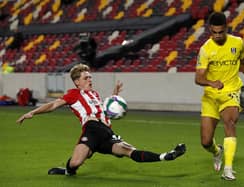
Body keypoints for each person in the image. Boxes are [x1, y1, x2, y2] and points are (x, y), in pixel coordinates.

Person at [16, 63, 186, 176]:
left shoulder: (95, 94)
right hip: (91, 129)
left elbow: (104, 110)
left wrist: (115, 95)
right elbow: (53, 105)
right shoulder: (73, 94)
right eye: (86, 77)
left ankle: (166, 156)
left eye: (90, 76)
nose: (90, 79)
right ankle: (68, 171)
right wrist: (33, 112)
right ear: (77, 82)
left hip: (106, 132)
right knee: (75, 163)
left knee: (128, 151)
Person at [195, 12, 244, 180]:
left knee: (230, 122)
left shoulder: (237, 43)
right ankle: (217, 151)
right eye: (214, 32)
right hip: (211, 96)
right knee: (206, 142)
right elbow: (198, 78)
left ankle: (228, 169)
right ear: (210, 30)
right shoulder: (205, 49)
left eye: (221, 32)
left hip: (230, 91)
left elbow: (243, 63)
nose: (217, 36)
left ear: (226, 28)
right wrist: (211, 83)